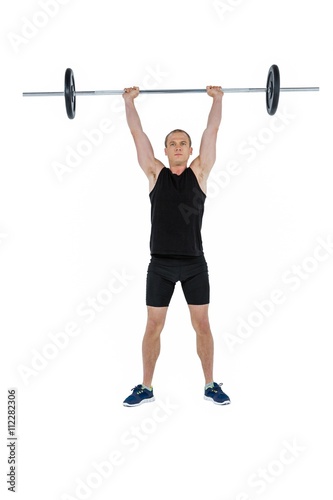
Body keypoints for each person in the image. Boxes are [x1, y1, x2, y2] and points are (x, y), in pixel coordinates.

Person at [122, 84, 230, 407]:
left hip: (195, 264)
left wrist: (218, 99)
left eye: (183, 143)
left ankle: (210, 384)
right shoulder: (155, 173)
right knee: (153, 325)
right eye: (173, 144)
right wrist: (129, 102)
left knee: (202, 324)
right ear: (166, 151)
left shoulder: (200, 172)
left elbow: (213, 129)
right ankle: (146, 387)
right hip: (161, 265)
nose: (178, 147)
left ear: (190, 148)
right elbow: (137, 133)